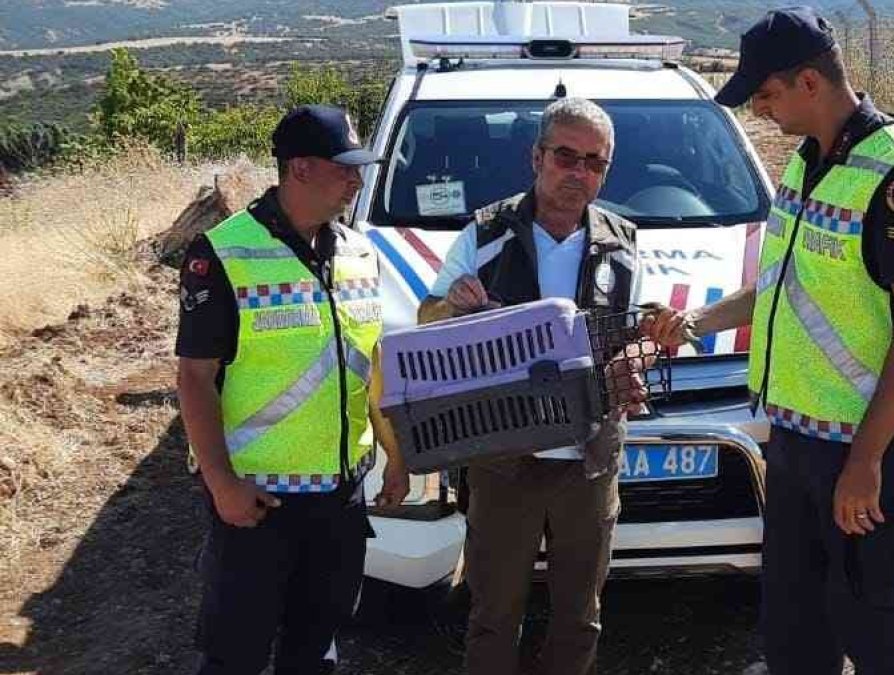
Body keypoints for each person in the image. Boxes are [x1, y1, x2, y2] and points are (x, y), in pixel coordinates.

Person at [642, 8, 894, 675]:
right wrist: (696, 323)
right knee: (794, 622)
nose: (760, 109)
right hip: (795, 435)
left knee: (871, 619)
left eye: (766, 94)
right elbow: (781, 283)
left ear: (809, 82)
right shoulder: (807, 161)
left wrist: (865, 462)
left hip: (869, 444)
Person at [175, 104, 409, 674]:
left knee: (315, 649)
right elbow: (195, 378)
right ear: (300, 168)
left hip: (340, 498)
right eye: (345, 168)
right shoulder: (224, 253)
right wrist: (222, 485)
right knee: (235, 656)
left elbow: (370, 365)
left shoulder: (358, 252)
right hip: (259, 502)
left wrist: (396, 457)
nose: (357, 181)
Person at [419, 97, 644, 675]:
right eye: (566, 156)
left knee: (580, 618)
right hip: (503, 461)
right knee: (494, 616)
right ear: (536, 157)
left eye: (594, 162)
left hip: (589, 462)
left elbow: (628, 337)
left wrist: (630, 366)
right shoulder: (485, 234)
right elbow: (427, 319)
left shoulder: (624, 244)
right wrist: (452, 305)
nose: (579, 172)